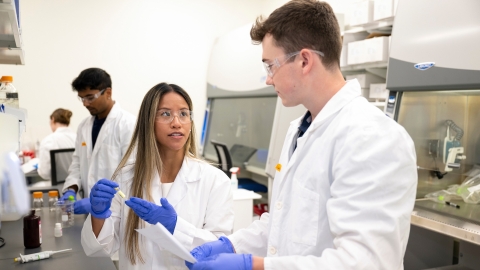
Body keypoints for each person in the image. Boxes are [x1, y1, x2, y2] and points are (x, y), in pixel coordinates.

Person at [187, 1, 418, 269]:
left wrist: (255, 266)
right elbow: (284, 222)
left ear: (305, 60)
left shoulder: (373, 138)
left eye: (270, 66)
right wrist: (233, 245)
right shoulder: (299, 130)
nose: (268, 79)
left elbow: (365, 262)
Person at [80, 82, 234, 269]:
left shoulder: (215, 181)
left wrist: (175, 226)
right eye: (165, 114)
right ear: (148, 122)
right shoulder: (126, 178)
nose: (176, 122)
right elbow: (100, 248)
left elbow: (221, 250)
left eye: (184, 114)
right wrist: (98, 215)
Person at [60, 68, 136, 215]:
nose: (85, 104)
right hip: (92, 215)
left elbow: (131, 174)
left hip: (118, 212)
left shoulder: (128, 124)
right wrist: (71, 189)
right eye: (82, 98)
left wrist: (102, 200)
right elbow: (77, 163)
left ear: (108, 93)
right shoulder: (84, 126)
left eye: (90, 97)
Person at [37, 108, 76, 180]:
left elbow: (44, 173)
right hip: (79, 186)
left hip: (58, 188)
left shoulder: (49, 140)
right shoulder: (78, 138)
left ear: (53, 119)